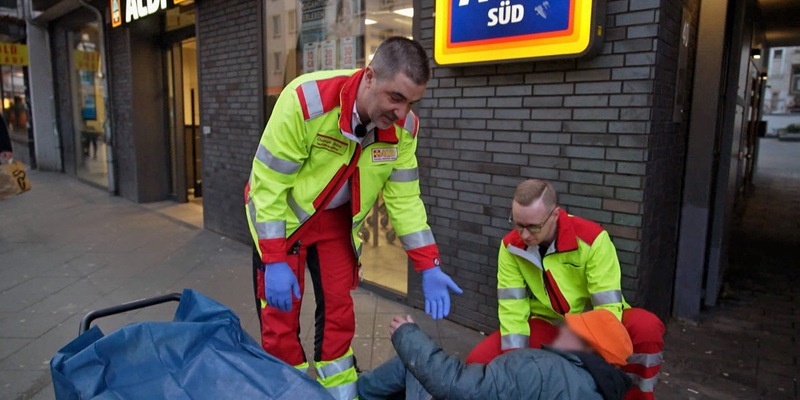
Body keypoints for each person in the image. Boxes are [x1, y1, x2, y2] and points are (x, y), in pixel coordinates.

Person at [244, 37, 462, 400]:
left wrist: (429, 264)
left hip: (336, 224)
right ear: (370, 77)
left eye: (411, 102)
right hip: (282, 221)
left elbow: (405, 199)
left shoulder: (404, 130)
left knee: (339, 313)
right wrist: (274, 259)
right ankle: (287, 391)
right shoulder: (307, 101)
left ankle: (342, 393)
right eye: (396, 97)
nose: (402, 113)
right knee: (279, 320)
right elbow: (268, 186)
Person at [465, 179, 665, 400]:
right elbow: (512, 306)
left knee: (646, 326)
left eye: (533, 227)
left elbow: (607, 308)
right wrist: (516, 362)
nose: (524, 235)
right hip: (549, 322)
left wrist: (594, 355)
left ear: (555, 215)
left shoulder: (593, 239)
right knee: (477, 361)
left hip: (596, 323)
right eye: (518, 224)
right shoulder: (510, 246)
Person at [357, 309, 634, 400]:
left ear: (585, 346)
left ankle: (353, 392)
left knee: (409, 363)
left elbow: (456, 384)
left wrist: (407, 334)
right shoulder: (595, 390)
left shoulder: (542, 369)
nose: (562, 329)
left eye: (572, 329)